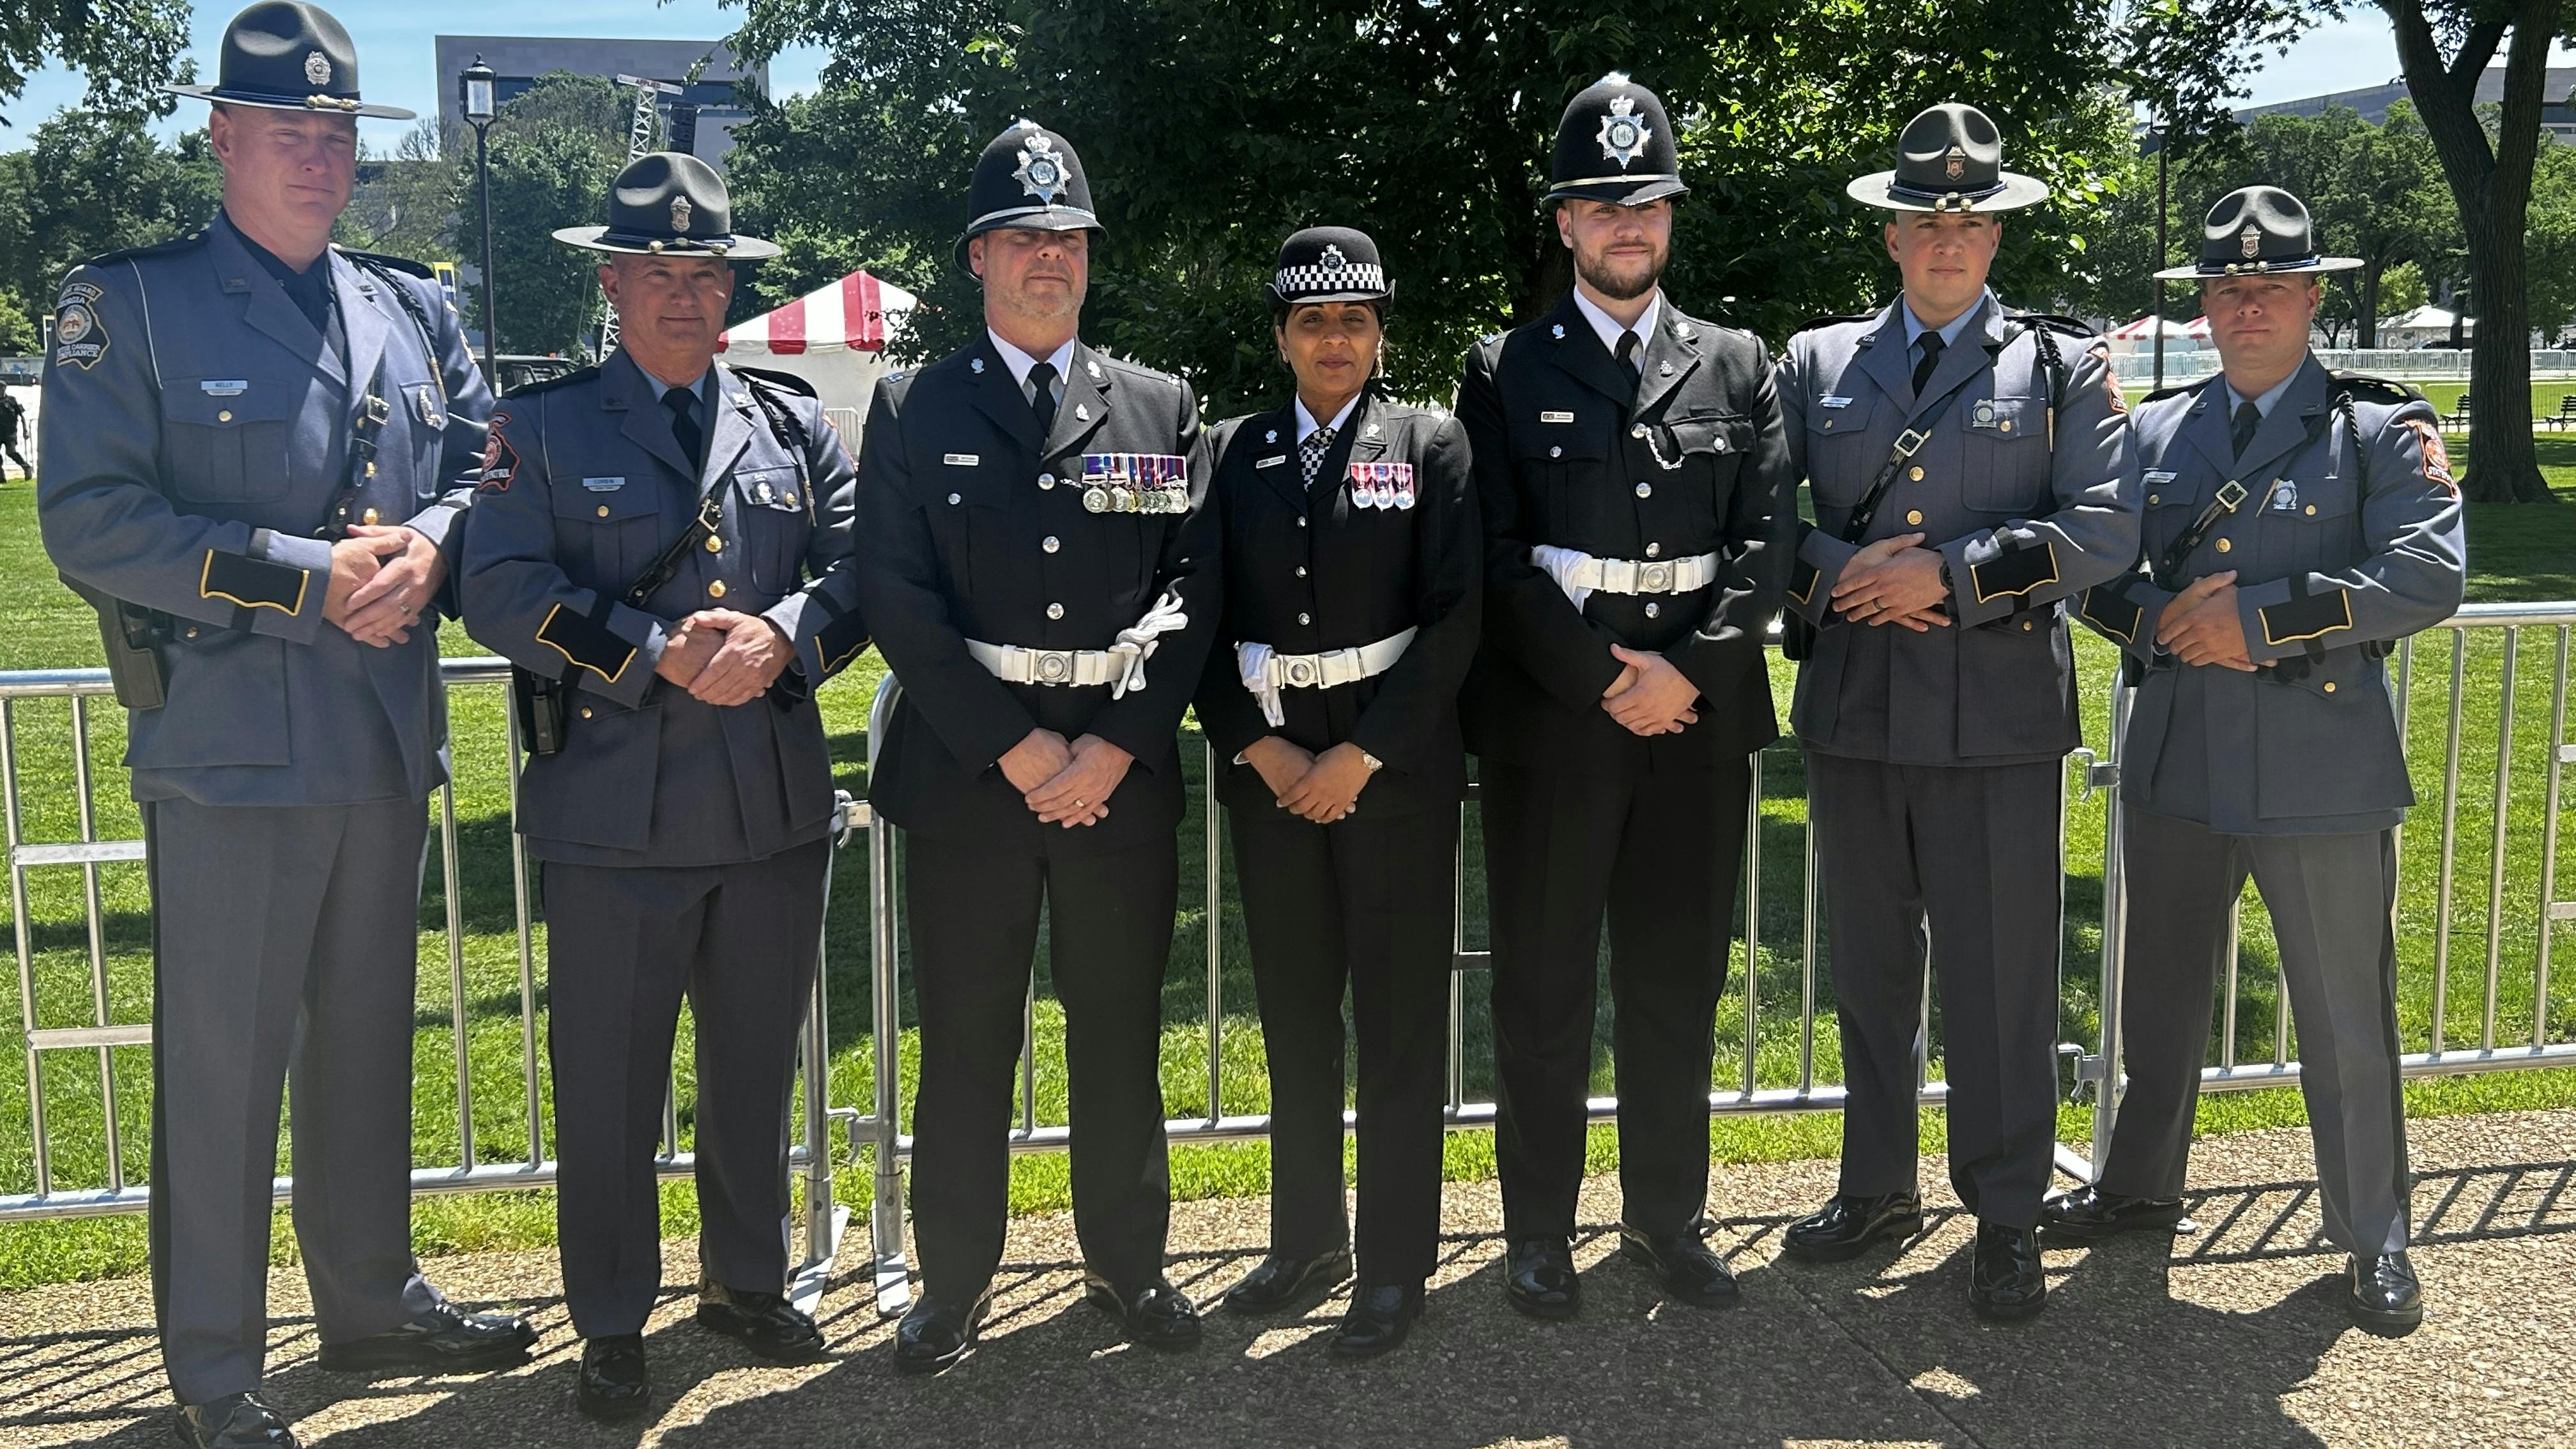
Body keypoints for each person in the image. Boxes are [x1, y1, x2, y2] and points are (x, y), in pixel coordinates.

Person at [33, 6, 535, 1445]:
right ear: (224, 137)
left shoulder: (408, 305)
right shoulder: (128, 306)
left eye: (338, 132)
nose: (320, 155)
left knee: (367, 1043)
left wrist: (435, 546)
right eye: (290, 129)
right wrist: (313, 583)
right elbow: (94, 521)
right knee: (225, 1064)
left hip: (380, 738)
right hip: (233, 748)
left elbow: (481, 461)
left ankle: (370, 1306)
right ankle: (210, 1366)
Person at [456, 151, 869, 1418]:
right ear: (614, 282)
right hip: (614, 812)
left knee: (752, 1069)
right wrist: (647, 652)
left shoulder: (793, 420)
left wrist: (784, 636)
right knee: (613, 1084)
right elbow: (500, 593)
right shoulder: (541, 425)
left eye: (706, 274)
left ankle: (745, 1282)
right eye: (659, 273)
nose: (685, 297)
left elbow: (860, 564)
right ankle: (612, 1318)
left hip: (767, 808)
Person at [2048, 185, 2467, 1336]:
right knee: (2159, 1001)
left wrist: (2262, 620)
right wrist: (2163, 623)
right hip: (2179, 761)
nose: (2247, 305)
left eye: (2270, 285)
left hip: (2320, 770)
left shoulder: (2379, 429)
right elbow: (2095, 571)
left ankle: (2373, 1232)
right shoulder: (2149, 431)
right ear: (2203, 302)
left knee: (2341, 1016)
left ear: (2312, 298)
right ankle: (2137, 1186)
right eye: (2227, 287)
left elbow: (2425, 578)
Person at [855, 119, 1222, 1373]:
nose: (1048, 256)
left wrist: (1117, 746)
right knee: (967, 1040)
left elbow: (1189, 592)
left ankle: (1130, 1268)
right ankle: (951, 1285)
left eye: (1067, 235)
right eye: (1023, 235)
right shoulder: (916, 407)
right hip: (972, 779)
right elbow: (898, 598)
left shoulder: (1161, 405)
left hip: (1117, 779)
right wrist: (1017, 751)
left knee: (1119, 1033)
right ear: (976, 257)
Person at [1772, 102, 2137, 1319]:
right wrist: (1846, 575)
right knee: (1871, 970)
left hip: (1996, 724)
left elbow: (2103, 527)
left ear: (1994, 238)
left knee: (1999, 979)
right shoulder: (1815, 362)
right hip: (1858, 713)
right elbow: (1762, 523)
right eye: (1925, 217)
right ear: (1891, 235)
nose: (1947, 237)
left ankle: (2004, 1210)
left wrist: (1954, 574)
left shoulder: (2060, 367)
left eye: (1969, 219)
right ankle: (1876, 1183)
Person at [1457, 72, 1791, 1321]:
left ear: (1669, 213)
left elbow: (1765, 547)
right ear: (1564, 223)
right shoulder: (1501, 371)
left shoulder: (1740, 363)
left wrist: (1679, 677)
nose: (1625, 221)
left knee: (1674, 985)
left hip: (1695, 737)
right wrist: (1609, 679)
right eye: (1600, 203)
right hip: (1557, 732)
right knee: (1541, 988)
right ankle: (1537, 1234)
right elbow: (1493, 557)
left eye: (1644, 198)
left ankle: (1666, 1220)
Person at [1192, 227, 1479, 1358]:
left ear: (1379, 332)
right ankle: (1305, 1236)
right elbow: (1194, 620)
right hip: (1272, 779)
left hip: (1391, 777)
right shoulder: (1230, 450)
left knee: (1399, 1028)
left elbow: (1457, 616)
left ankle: (1395, 1262)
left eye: (1353, 319)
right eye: (1311, 320)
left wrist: (1359, 756)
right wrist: (1260, 751)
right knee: (1297, 1018)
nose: (1333, 339)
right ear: (1279, 335)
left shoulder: (1431, 442)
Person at [0, 386, 31, 478]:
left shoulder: (12, 400)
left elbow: (21, 415)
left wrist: (25, 430)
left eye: (2, 388)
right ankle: (1, 477)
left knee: (11, 452)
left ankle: (26, 467)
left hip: (10, 433)